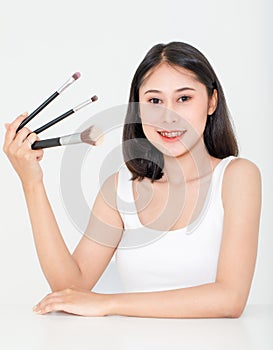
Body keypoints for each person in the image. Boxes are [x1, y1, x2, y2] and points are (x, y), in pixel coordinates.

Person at [3, 41, 261, 318]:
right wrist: (32, 182)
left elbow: (230, 299)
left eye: (184, 98)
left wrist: (109, 302)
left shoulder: (237, 177)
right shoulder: (120, 189)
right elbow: (70, 289)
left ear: (211, 101)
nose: (168, 116)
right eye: (154, 101)